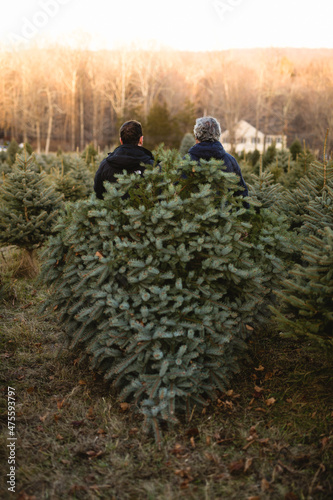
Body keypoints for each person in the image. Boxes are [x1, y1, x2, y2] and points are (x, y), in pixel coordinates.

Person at [187, 116, 249, 203]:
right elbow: (242, 193)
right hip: (226, 215)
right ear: (218, 134)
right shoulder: (230, 160)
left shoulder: (187, 161)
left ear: (197, 136)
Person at [94, 120, 154, 199]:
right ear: (141, 140)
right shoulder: (152, 166)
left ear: (121, 141)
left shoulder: (105, 165)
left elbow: (99, 194)